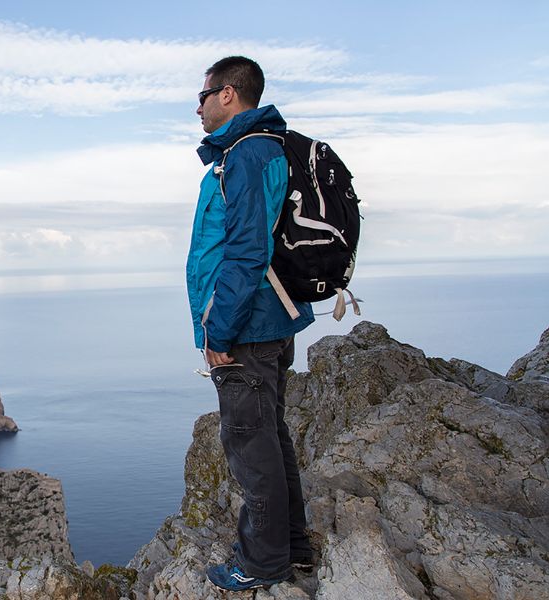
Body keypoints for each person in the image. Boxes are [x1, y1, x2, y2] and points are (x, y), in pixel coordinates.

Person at [186, 56, 315, 592]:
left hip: (248, 328)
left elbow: (245, 250)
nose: (197, 106)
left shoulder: (246, 153)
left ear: (230, 94)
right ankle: (295, 548)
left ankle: (262, 563)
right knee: (271, 435)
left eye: (204, 94)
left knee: (249, 445)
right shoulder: (264, 149)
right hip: (269, 321)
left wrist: (219, 333)